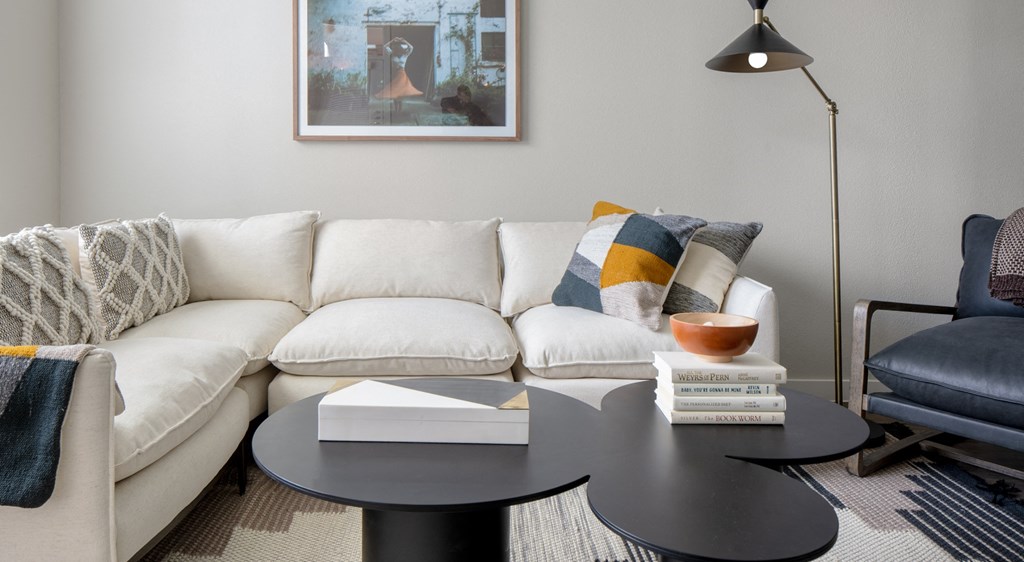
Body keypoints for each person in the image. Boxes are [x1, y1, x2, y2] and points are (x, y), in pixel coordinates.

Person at [374, 37, 422, 114]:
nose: (399, 50)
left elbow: (411, 47)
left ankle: (399, 109)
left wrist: (404, 41)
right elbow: (384, 47)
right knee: (394, 92)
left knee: (401, 92)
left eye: (400, 49)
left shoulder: (405, 55)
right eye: (398, 49)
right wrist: (392, 41)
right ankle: (396, 109)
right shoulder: (391, 55)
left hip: (402, 75)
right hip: (395, 74)